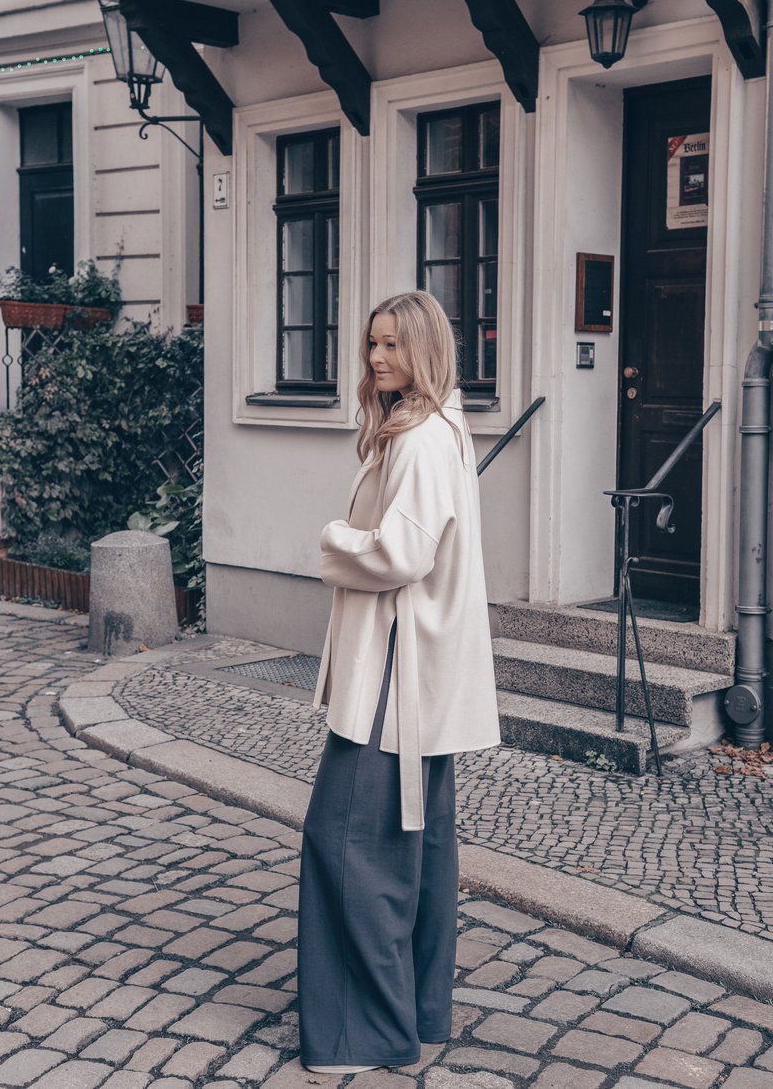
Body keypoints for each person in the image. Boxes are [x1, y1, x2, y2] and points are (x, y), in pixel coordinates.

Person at [297, 290, 501, 1074]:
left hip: (395, 668)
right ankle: (417, 1011)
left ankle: (364, 1034)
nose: (377, 358)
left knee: (347, 844)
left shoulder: (417, 438)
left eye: (392, 345)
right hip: (415, 666)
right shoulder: (436, 427)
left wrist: (333, 536)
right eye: (372, 345)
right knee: (414, 845)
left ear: (424, 348)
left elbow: (399, 555)